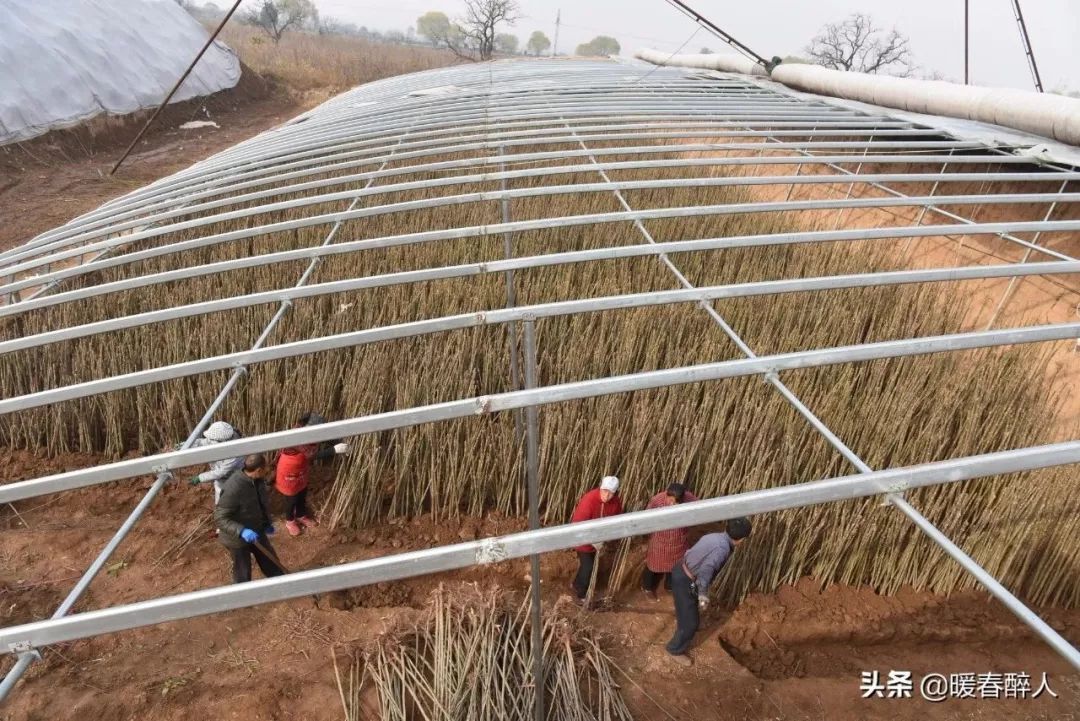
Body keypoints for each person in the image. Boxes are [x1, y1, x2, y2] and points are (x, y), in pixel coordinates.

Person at [666, 517, 752, 666]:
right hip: (685, 580)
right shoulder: (722, 548)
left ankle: (691, 619)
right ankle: (674, 649)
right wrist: (703, 594)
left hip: (683, 570)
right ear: (742, 540)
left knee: (690, 608)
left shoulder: (715, 536)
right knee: (690, 623)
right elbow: (707, 570)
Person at [274, 412, 349, 536]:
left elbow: (327, 437)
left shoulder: (310, 432)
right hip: (289, 469)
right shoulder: (297, 436)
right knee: (291, 499)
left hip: (301, 467)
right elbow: (312, 455)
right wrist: (334, 450)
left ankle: (300, 515)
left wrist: (339, 442)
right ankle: (290, 521)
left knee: (302, 493)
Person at [215, 453, 285, 584]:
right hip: (236, 538)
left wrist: (266, 522)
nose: (267, 471)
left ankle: (279, 581)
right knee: (242, 568)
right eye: (265, 469)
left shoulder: (257, 481)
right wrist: (242, 531)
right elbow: (220, 518)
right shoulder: (233, 488)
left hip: (256, 528)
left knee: (269, 559)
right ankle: (244, 594)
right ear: (259, 470)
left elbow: (260, 503)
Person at [569, 475, 623, 603]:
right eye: (605, 491)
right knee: (588, 567)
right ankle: (581, 595)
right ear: (600, 488)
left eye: (611, 493)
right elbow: (578, 524)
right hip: (583, 540)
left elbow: (617, 518)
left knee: (587, 565)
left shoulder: (615, 502)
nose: (607, 495)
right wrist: (594, 541)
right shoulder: (589, 500)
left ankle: (576, 584)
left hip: (600, 540)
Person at [641, 482, 698, 601]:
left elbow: (698, 509)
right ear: (667, 495)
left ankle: (669, 586)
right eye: (670, 500)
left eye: (676, 501)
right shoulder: (657, 501)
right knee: (653, 565)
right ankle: (647, 587)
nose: (672, 503)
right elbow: (646, 517)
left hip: (679, 540)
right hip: (660, 539)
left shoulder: (689, 499)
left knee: (675, 566)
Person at [188, 421, 244, 505]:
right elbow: (203, 442)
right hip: (221, 479)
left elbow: (220, 472)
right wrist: (186, 445)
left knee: (232, 501)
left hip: (232, 478)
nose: (209, 440)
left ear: (221, 442)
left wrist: (200, 478)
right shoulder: (218, 440)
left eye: (212, 439)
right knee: (220, 502)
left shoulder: (235, 453)